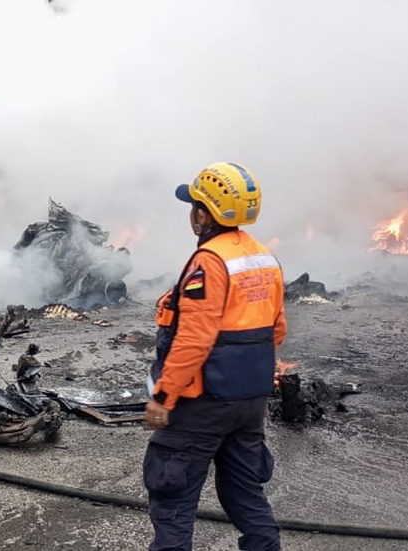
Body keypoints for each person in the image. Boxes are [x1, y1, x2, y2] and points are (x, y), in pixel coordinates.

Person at [143, 162, 287, 551]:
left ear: (204, 214)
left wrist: (163, 396)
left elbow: (194, 337)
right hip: (250, 403)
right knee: (244, 492)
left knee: (172, 494)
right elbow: (277, 329)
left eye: (194, 206)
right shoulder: (264, 259)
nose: (191, 213)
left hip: (203, 403)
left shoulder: (210, 262)